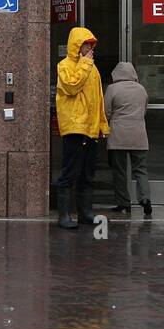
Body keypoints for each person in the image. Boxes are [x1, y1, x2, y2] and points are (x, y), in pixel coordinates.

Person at [54, 27, 109, 229]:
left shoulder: (92, 69)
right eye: (86, 44)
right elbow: (71, 85)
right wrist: (85, 63)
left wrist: (102, 124)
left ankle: (86, 213)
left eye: (91, 45)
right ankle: (64, 216)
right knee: (70, 171)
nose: (90, 48)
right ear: (77, 46)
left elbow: (98, 100)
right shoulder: (64, 66)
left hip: (90, 128)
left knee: (87, 173)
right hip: (75, 127)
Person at [106, 61, 151, 217]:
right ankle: (145, 199)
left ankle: (123, 203)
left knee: (120, 171)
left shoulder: (112, 89)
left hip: (118, 135)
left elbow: (106, 112)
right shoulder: (141, 89)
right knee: (140, 170)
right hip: (139, 135)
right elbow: (144, 110)